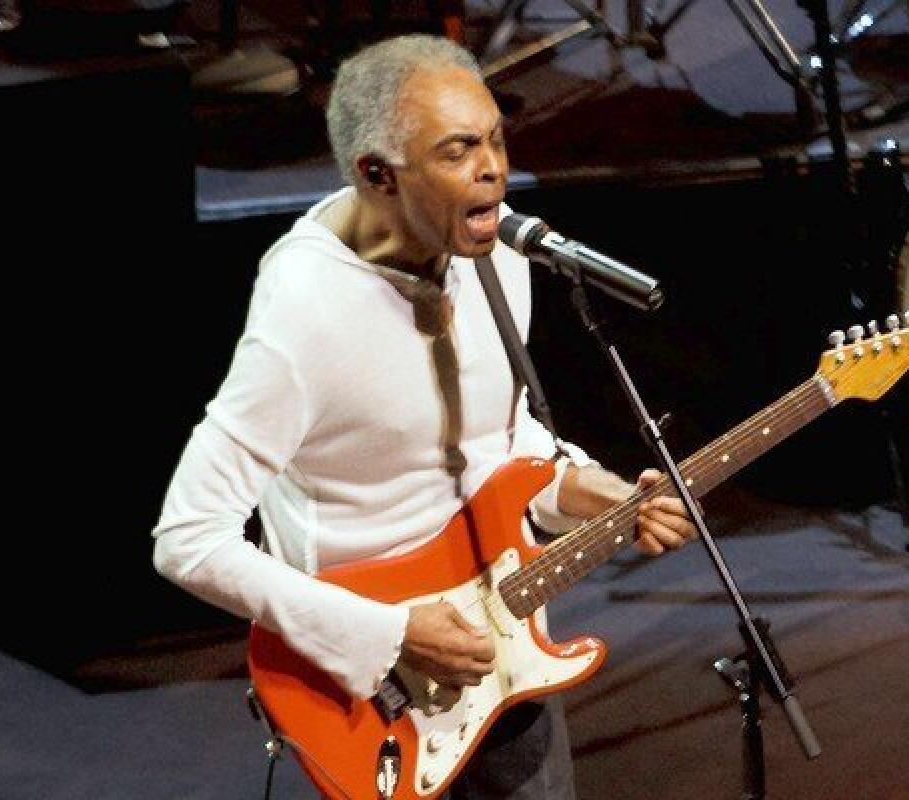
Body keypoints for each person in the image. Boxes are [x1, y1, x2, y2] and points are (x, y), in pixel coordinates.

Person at [151, 33, 695, 799]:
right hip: (372, 687)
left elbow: (501, 440)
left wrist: (578, 487)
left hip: (501, 641)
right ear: (378, 173)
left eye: (497, 140)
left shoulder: (501, 257)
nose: (494, 169)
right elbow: (188, 540)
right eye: (459, 150)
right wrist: (393, 634)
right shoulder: (303, 315)